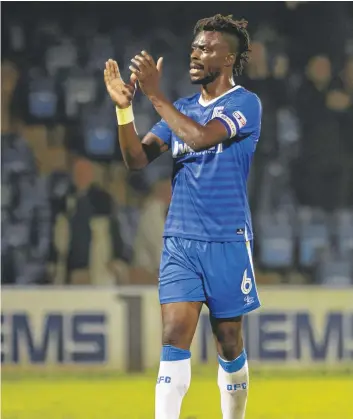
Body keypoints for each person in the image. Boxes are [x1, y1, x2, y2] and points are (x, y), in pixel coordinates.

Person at [104, 14, 262, 419]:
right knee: (174, 337)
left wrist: (156, 96)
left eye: (206, 49)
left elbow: (201, 137)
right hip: (181, 241)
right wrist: (126, 111)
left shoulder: (245, 104)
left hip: (228, 239)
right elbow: (137, 159)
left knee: (229, 342)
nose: (195, 54)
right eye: (194, 47)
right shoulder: (183, 109)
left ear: (229, 59)